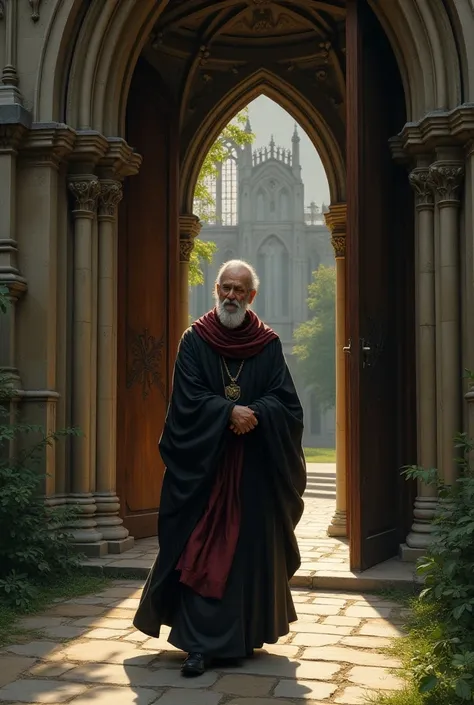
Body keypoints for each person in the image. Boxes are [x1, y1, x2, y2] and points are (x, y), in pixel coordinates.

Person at [133, 259, 306, 677]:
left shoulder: (268, 344)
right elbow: (186, 400)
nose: (232, 296)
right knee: (201, 551)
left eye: (240, 290)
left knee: (246, 553)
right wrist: (228, 412)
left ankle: (241, 636)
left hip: (254, 473)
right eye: (226, 288)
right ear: (216, 289)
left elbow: (286, 403)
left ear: (252, 296)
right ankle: (198, 645)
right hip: (205, 471)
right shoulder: (194, 340)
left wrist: (256, 413)